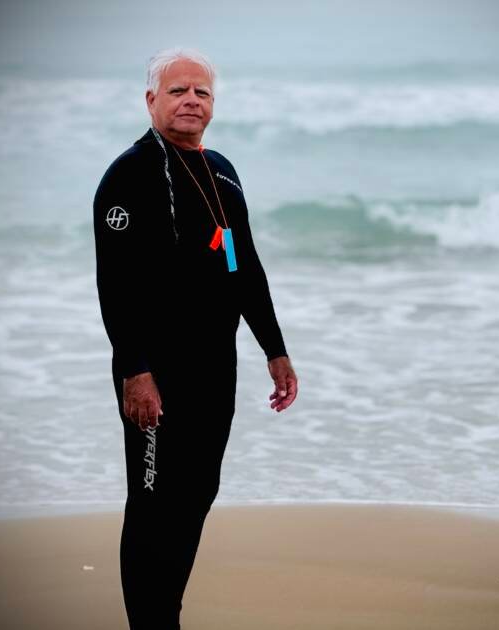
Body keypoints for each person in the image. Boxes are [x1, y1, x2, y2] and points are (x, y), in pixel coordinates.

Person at [92, 47, 298, 629]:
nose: (191, 100)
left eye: (201, 92)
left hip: (214, 369)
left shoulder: (222, 170)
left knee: (196, 495)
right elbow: (115, 285)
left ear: (213, 103)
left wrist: (275, 349)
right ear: (151, 100)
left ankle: (166, 616)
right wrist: (135, 371)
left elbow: (245, 266)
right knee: (153, 504)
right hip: (155, 374)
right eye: (178, 90)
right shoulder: (128, 175)